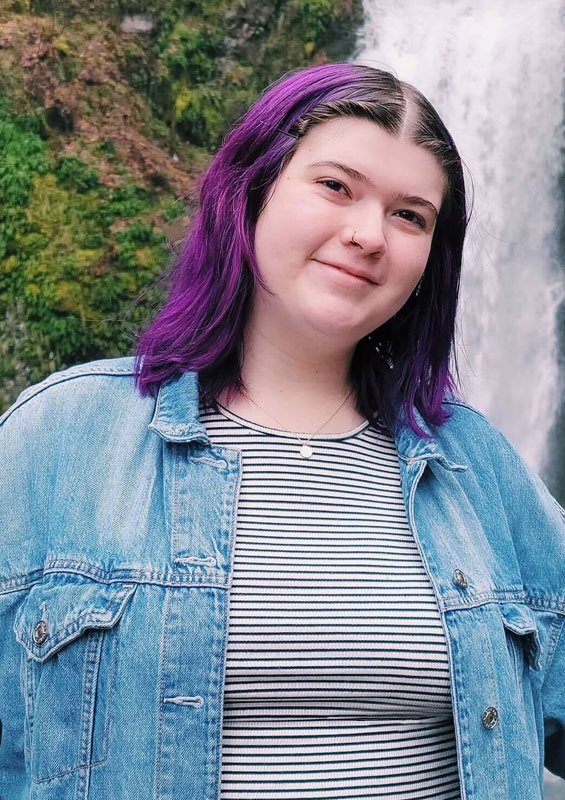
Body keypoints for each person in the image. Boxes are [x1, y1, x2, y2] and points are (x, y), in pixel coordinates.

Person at [0, 62, 563, 800]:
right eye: (335, 186)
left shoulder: (476, 465)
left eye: (410, 215)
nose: (368, 235)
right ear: (251, 189)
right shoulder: (64, 435)